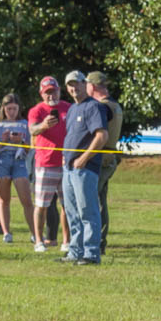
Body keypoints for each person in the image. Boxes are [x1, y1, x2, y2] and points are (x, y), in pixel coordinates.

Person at [59, 71, 108, 265]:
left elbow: (101, 136)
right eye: (70, 85)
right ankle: (75, 251)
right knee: (71, 211)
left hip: (84, 168)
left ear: (84, 84)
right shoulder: (72, 109)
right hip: (68, 168)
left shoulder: (94, 107)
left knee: (88, 211)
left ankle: (91, 253)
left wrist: (85, 158)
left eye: (77, 84)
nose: (74, 88)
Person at [28, 76, 71, 253]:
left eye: (53, 91)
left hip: (66, 162)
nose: (51, 95)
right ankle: (39, 241)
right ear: (41, 94)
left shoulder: (69, 108)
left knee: (67, 204)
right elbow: (32, 129)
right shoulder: (37, 110)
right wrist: (44, 125)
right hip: (45, 163)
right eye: (47, 93)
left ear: (59, 90)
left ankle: (66, 241)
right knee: (41, 204)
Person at [87, 72, 123, 254]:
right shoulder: (114, 105)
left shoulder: (101, 107)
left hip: (100, 159)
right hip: (110, 157)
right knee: (100, 201)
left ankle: (96, 242)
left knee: (92, 200)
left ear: (92, 87)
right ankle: (100, 241)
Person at [0, 93, 32, 244]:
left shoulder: (24, 123)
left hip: (19, 160)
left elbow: (29, 148)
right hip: (2, 161)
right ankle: (6, 232)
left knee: (26, 199)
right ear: (3, 108)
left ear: (19, 108)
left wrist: (20, 140)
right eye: (9, 109)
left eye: (14, 109)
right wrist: (2, 141)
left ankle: (34, 233)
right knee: (3, 199)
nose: (12, 112)